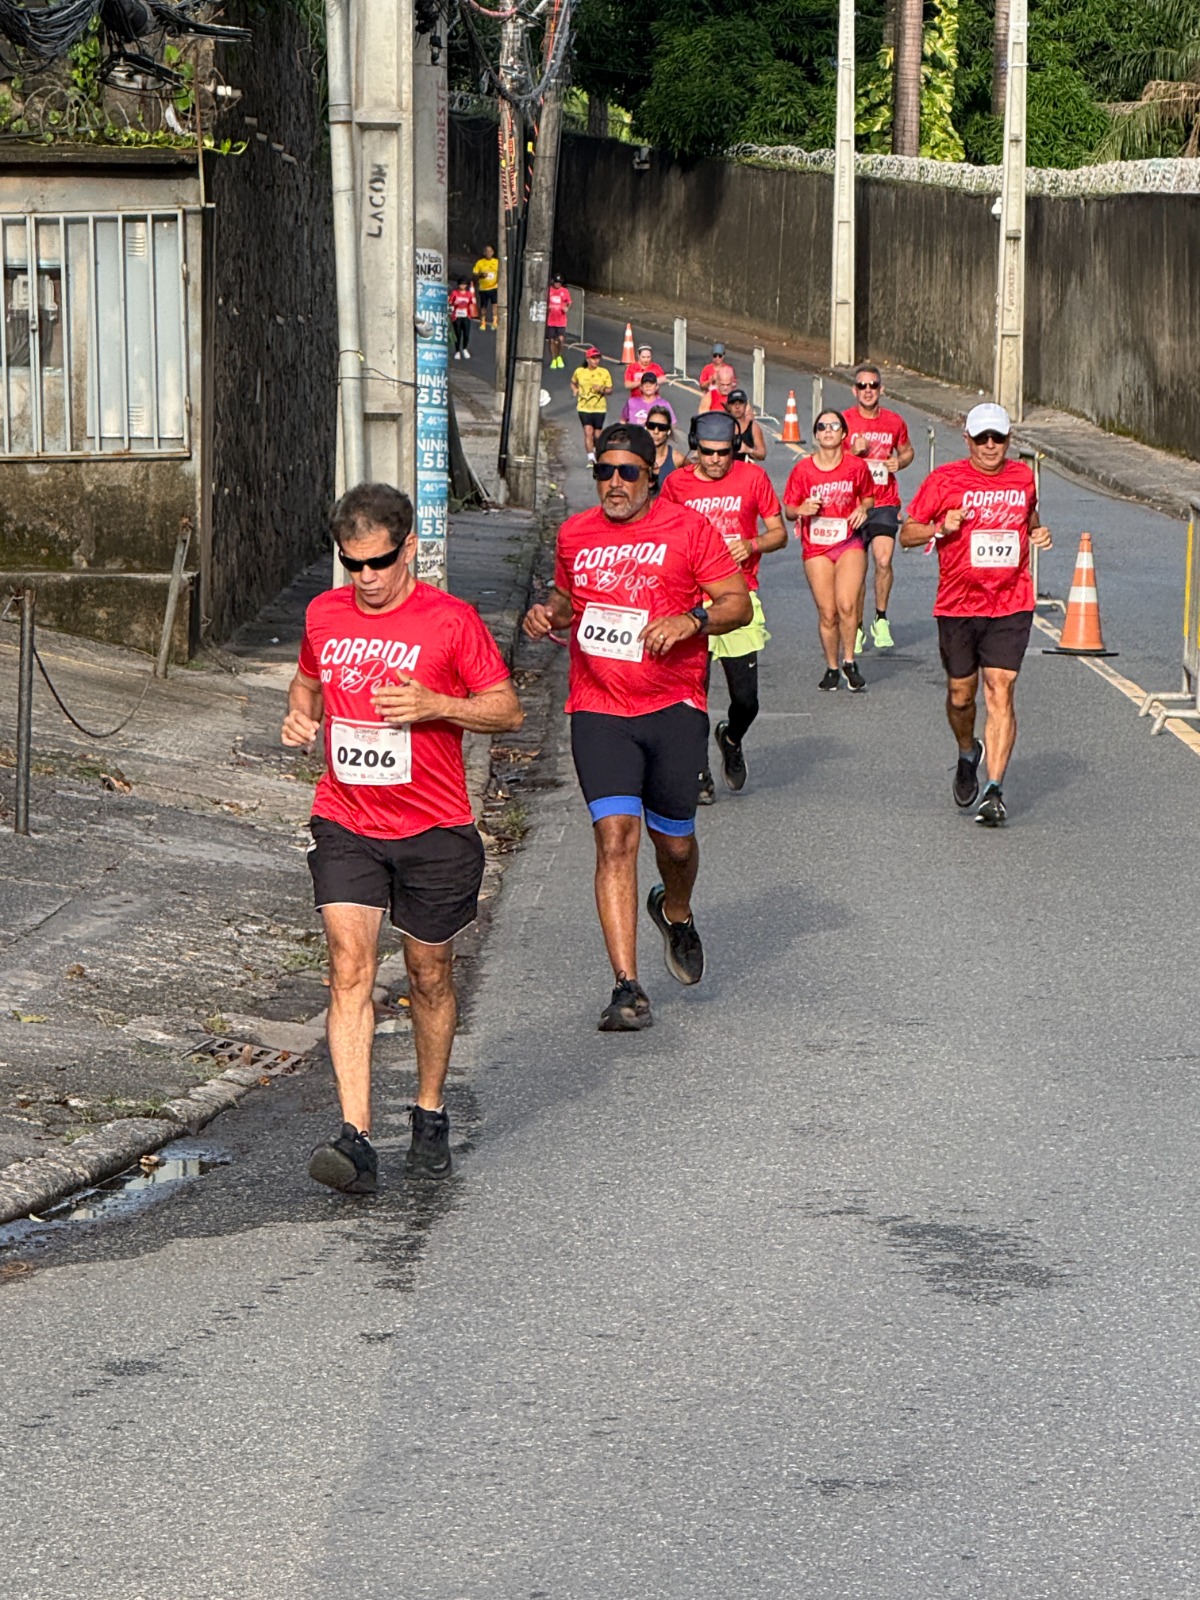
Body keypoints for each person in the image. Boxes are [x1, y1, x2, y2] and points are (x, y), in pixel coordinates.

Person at [282, 483, 523, 1190]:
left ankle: (429, 1110)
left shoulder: (451, 622)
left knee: (428, 975)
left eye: (379, 562)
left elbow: (507, 710)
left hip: (435, 827)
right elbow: (306, 685)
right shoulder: (324, 615)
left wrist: (435, 705)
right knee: (349, 966)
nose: (365, 578)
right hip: (347, 819)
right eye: (351, 564)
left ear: (409, 547)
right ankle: (355, 1137)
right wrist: (298, 719)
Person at [521, 423, 751, 1032]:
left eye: (628, 472)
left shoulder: (688, 528)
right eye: (604, 471)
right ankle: (627, 987)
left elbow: (736, 602)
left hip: (673, 704)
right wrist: (546, 614)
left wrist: (691, 620)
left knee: (673, 843)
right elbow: (568, 603)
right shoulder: (575, 533)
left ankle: (675, 910)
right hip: (599, 708)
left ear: (652, 474)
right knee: (615, 837)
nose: (615, 483)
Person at [900, 403, 1052, 826]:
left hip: (1011, 601)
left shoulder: (1023, 477)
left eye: (998, 438)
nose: (990, 446)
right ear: (967, 439)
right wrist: (938, 528)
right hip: (957, 604)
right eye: (982, 438)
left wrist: (1037, 530)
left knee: (1000, 689)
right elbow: (907, 534)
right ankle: (968, 752)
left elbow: (1028, 514)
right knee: (961, 696)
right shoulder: (944, 480)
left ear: (1008, 440)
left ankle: (994, 789)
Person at [659, 411, 786, 800]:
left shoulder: (753, 479)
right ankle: (698, 773)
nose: (715, 460)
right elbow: (661, 535)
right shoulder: (676, 485)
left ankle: (730, 737)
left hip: (738, 597)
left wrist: (751, 545)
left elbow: (779, 533)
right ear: (696, 448)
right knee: (692, 694)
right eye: (708, 453)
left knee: (746, 699)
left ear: (735, 449)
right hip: (689, 600)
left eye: (724, 453)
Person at [783, 409, 875, 692]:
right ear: (816, 434)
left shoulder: (856, 467)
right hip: (816, 546)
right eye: (822, 427)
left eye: (834, 426)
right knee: (828, 613)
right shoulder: (803, 470)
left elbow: (869, 497)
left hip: (848, 542)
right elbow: (788, 510)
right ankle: (832, 667)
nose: (827, 431)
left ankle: (849, 661)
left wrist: (862, 508)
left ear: (844, 434)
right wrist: (801, 509)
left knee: (847, 604)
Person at [843, 364, 913, 651]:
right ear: (854, 390)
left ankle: (880, 619)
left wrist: (901, 461)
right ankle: (856, 626)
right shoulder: (844, 421)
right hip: (853, 505)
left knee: (883, 561)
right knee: (856, 570)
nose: (868, 390)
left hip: (885, 501)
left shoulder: (894, 421)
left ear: (881, 389)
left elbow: (907, 450)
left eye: (873, 385)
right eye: (862, 386)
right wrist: (852, 452)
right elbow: (827, 457)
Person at [571, 346, 613, 462]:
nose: (596, 361)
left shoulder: (604, 372)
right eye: (593, 358)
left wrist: (602, 389)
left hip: (599, 408)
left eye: (597, 358)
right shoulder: (580, 371)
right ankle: (591, 458)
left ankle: (596, 451)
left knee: (597, 435)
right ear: (587, 359)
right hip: (584, 407)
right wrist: (575, 390)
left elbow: (610, 390)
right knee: (588, 432)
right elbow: (573, 383)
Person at [645, 403, 686, 486]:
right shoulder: (636, 457)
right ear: (646, 428)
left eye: (661, 427)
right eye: (651, 426)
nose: (656, 432)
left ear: (668, 431)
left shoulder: (678, 459)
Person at [727, 389, 767, 462]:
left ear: (745, 405)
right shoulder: (722, 426)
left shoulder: (753, 427)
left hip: (745, 468)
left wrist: (748, 449)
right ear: (729, 406)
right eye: (733, 403)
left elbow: (762, 454)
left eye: (740, 403)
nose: (737, 407)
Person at [546, 275, 572, 368]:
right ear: (553, 281)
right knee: (552, 340)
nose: (558, 284)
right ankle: (553, 359)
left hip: (561, 320)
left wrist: (567, 307)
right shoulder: (549, 290)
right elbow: (544, 301)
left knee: (561, 339)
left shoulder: (564, 291)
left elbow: (569, 302)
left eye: (560, 282)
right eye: (556, 282)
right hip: (550, 320)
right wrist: (547, 306)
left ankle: (559, 356)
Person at [472, 245, 499, 331]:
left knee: (495, 305)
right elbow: (474, 275)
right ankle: (483, 322)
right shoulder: (480, 263)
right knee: (483, 306)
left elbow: (501, 273)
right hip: (483, 288)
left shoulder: (497, 262)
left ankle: (494, 321)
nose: (489, 253)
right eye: (487, 251)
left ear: (493, 252)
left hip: (494, 287)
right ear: (484, 253)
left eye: (490, 251)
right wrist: (481, 275)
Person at [448, 277, 474, 361]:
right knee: (458, 334)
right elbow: (450, 302)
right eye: (461, 284)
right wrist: (453, 303)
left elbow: (471, 303)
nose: (463, 286)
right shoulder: (455, 293)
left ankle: (465, 348)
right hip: (457, 316)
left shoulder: (469, 294)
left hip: (466, 316)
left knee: (466, 333)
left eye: (464, 284)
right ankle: (457, 351)